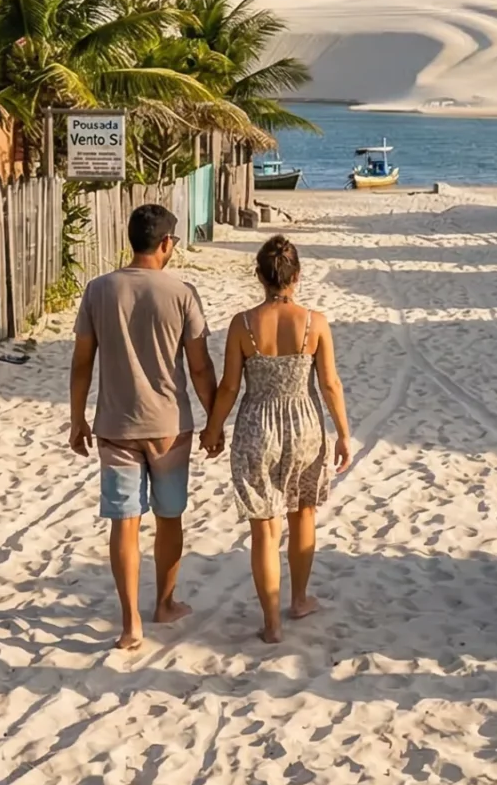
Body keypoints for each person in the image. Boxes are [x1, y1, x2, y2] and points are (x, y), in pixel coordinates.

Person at [70, 204, 218, 651]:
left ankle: (130, 621)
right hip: (169, 426)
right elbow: (199, 367)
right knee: (169, 517)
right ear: (166, 243)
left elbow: (82, 363)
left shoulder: (99, 290)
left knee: (124, 522)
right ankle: (165, 603)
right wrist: (214, 418)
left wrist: (77, 418)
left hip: (115, 423)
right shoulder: (182, 293)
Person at [204, 236, 353, 644]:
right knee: (303, 513)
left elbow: (231, 386)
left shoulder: (243, 324)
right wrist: (342, 432)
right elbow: (329, 383)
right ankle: (300, 599)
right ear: (297, 276)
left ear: (259, 276)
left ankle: (271, 624)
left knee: (264, 528)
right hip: (304, 422)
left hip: (257, 426)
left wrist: (213, 429)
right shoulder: (314, 322)